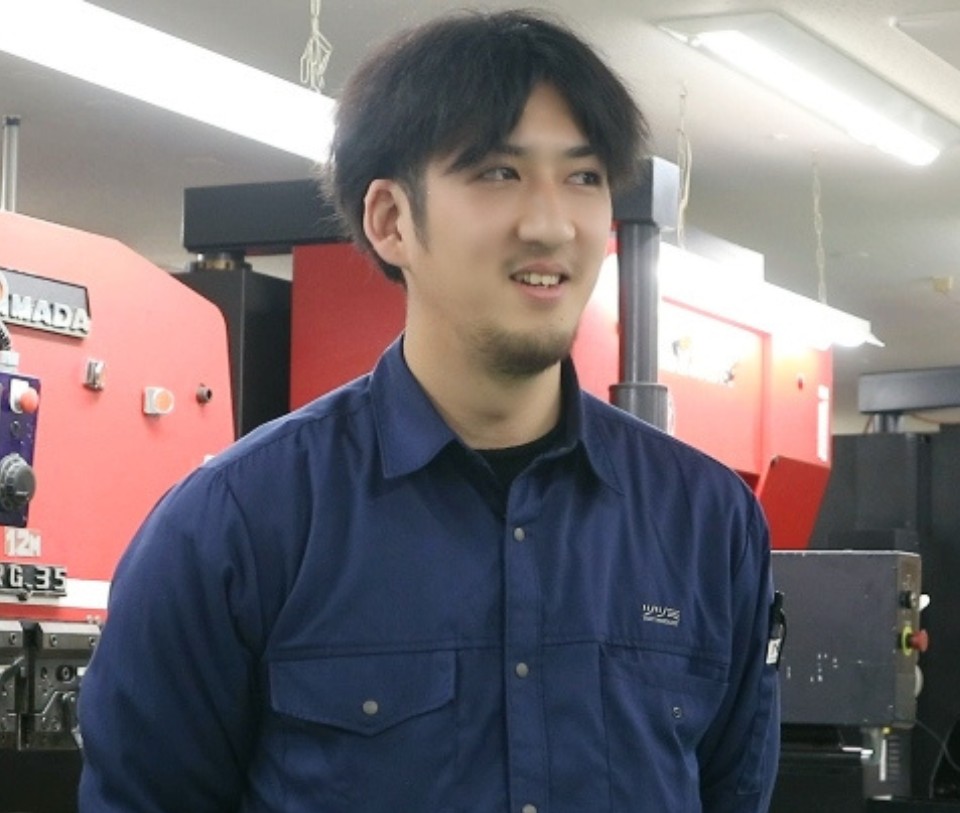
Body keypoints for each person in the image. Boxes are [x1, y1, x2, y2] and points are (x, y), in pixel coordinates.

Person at [78, 9, 780, 812]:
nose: (551, 223)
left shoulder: (707, 522)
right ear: (390, 221)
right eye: (498, 172)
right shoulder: (236, 525)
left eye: (584, 177)